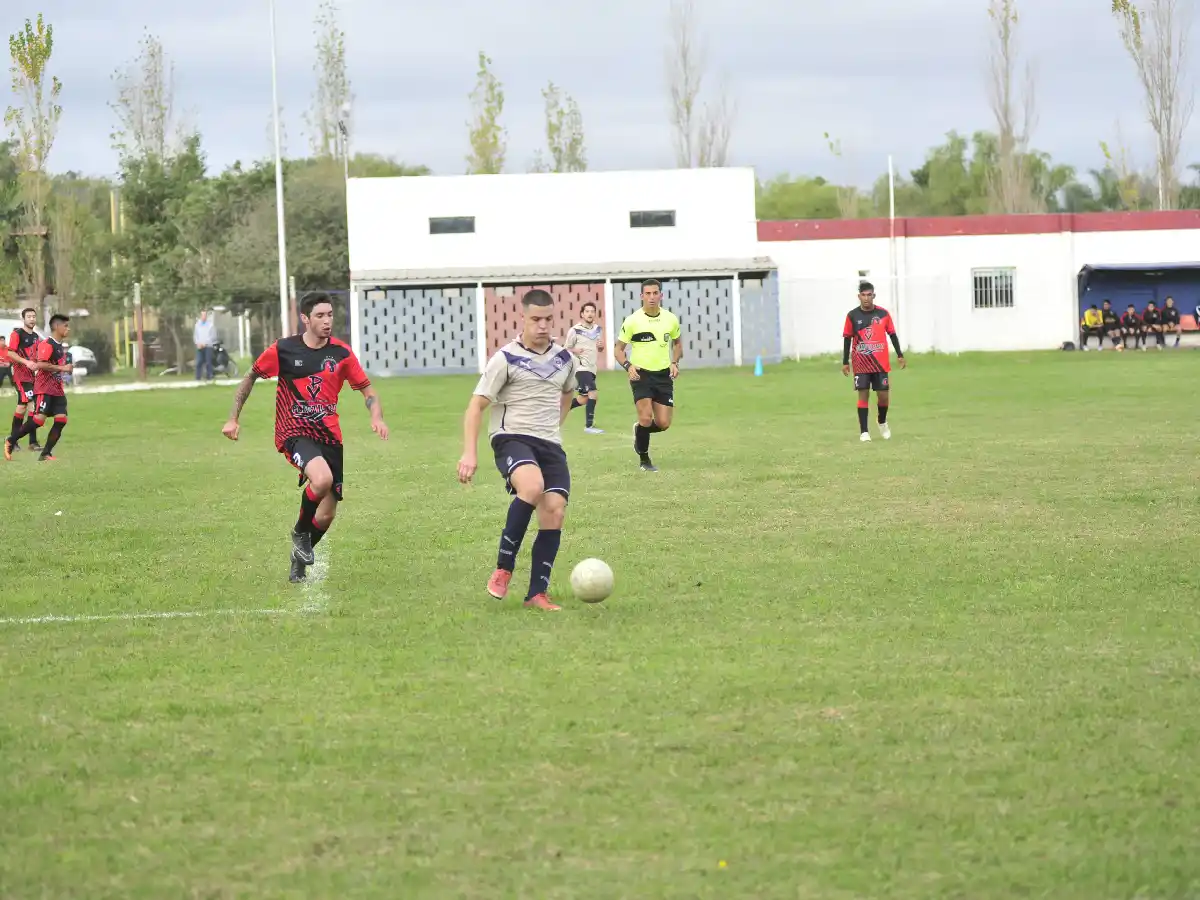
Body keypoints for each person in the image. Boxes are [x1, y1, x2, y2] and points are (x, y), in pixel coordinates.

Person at [222, 292, 388, 583]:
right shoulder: (284, 349)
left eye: (330, 315)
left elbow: (367, 390)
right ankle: (300, 533)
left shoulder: (341, 354)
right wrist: (233, 417)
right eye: (320, 315)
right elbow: (251, 376)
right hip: (295, 432)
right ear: (305, 319)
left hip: (330, 437)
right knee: (321, 480)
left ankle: (298, 558)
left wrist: (376, 416)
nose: (327, 321)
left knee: (326, 515)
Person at [458, 288, 579, 611]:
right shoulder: (506, 358)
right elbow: (475, 407)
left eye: (548, 319)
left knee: (554, 510)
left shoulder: (565, 359)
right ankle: (503, 568)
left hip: (549, 443)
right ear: (523, 318)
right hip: (512, 437)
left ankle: (536, 594)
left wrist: (556, 424)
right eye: (536, 319)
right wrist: (469, 453)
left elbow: (569, 393)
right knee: (532, 486)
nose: (543, 326)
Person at [613, 279, 682, 472]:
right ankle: (644, 461)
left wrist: (675, 362)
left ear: (661, 295)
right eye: (648, 294)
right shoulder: (632, 321)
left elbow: (677, 344)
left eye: (655, 293)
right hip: (640, 374)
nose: (651, 297)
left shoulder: (671, 319)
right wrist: (628, 366)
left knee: (663, 423)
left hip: (663, 375)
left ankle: (640, 430)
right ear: (642, 296)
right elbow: (618, 350)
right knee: (645, 417)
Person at [842, 281, 906, 442]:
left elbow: (892, 334)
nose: (866, 298)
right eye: (863, 295)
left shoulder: (883, 314)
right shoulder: (852, 316)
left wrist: (900, 355)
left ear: (874, 295)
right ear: (859, 296)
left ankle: (882, 421)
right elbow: (847, 338)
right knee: (863, 395)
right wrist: (845, 362)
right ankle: (864, 432)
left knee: (883, 396)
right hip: (861, 363)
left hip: (880, 363)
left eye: (869, 295)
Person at [5, 313, 71, 461]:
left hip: (57, 390)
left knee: (61, 420)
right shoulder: (47, 344)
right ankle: (11, 440)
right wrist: (63, 368)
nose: (68, 329)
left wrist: (65, 370)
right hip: (44, 389)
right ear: (57, 327)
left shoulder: (58, 345)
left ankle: (46, 453)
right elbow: (41, 364)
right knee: (38, 420)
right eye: (66, 326)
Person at [564, 301, 604, 434]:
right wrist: (574, 350)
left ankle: (560, 409)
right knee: (593, 393)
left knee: (584, 399)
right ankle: (589, 427)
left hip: (592, 368)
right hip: (581, 368)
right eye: (587, 311)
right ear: (582, 314)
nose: (590, 314)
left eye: (592, 311)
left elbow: (600, 348)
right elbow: (565, 349)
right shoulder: (575, 330)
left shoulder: (598, 329)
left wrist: (601, 347)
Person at [5, 307, 41, 453]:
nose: (32, 319)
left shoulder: (36, 337)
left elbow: (36, 356)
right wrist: (26, 362)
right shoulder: (17, 334)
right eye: (29, 317)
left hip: (31, 376)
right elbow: (10, 353)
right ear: (23, 319)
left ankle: (15, 440)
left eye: (34, 316)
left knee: (23, 407)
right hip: (20, 376)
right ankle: (28, 442)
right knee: (32, 405)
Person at [194, 308, 217, 382]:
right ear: (200, 316)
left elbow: (213, 336)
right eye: (202, 315)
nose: (203, 316)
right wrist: (198, 343)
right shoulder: (197, 325)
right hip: (200, 346)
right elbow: (196, 336)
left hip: (208, 346)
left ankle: (209, 377)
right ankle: (198, 378)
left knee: (208, 362)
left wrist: (205, 343)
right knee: (199, 362)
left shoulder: (210, 325)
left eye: (205, 315)